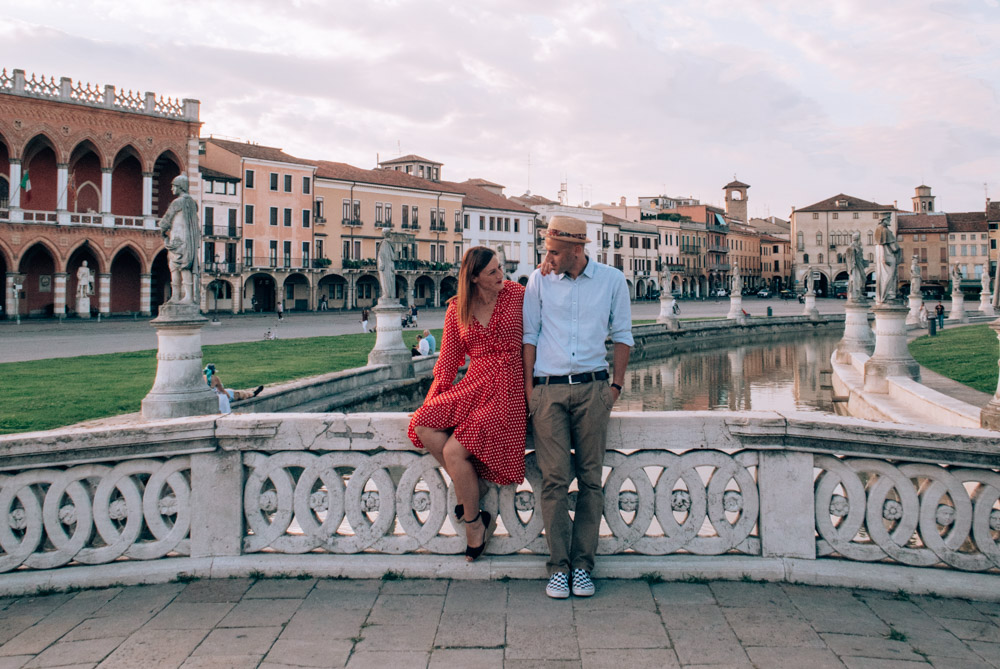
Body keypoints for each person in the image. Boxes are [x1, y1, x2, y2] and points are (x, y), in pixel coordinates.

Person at [523, 215, 633, 600]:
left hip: (593, 390)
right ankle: (558, 568)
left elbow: (622, 336)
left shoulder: (612, 281)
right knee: (553, 480)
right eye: (546, 249)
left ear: (576, 249)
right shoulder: (538, 280)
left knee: (590, 480)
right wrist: (530, 391)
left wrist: (614, 387)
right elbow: (530, 336)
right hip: (548, 391)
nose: (546, 257)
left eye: (553, 251)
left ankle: (583, 566)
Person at [409, 246, 526, 562]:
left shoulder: (517, 295)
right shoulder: (457, 309)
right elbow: (446, 365)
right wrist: (433, 400)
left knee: (453, 450)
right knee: (423, 424)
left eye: (500, 268)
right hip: (474, 384)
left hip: (508, 387)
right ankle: (470, 487)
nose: (501, 276)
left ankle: (475, 523)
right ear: (474, 278)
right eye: (492, 272)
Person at [158, 175, 201, 305]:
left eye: (174, 186)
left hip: (177, 239)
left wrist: (162, 230)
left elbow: (166, 219)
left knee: (175, 267)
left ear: (180, 186)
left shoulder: (177, 202)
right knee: (185, 267)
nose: (172, 189)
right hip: (188, 240)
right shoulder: (192, 203)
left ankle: (176, 296)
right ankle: (187, 296)